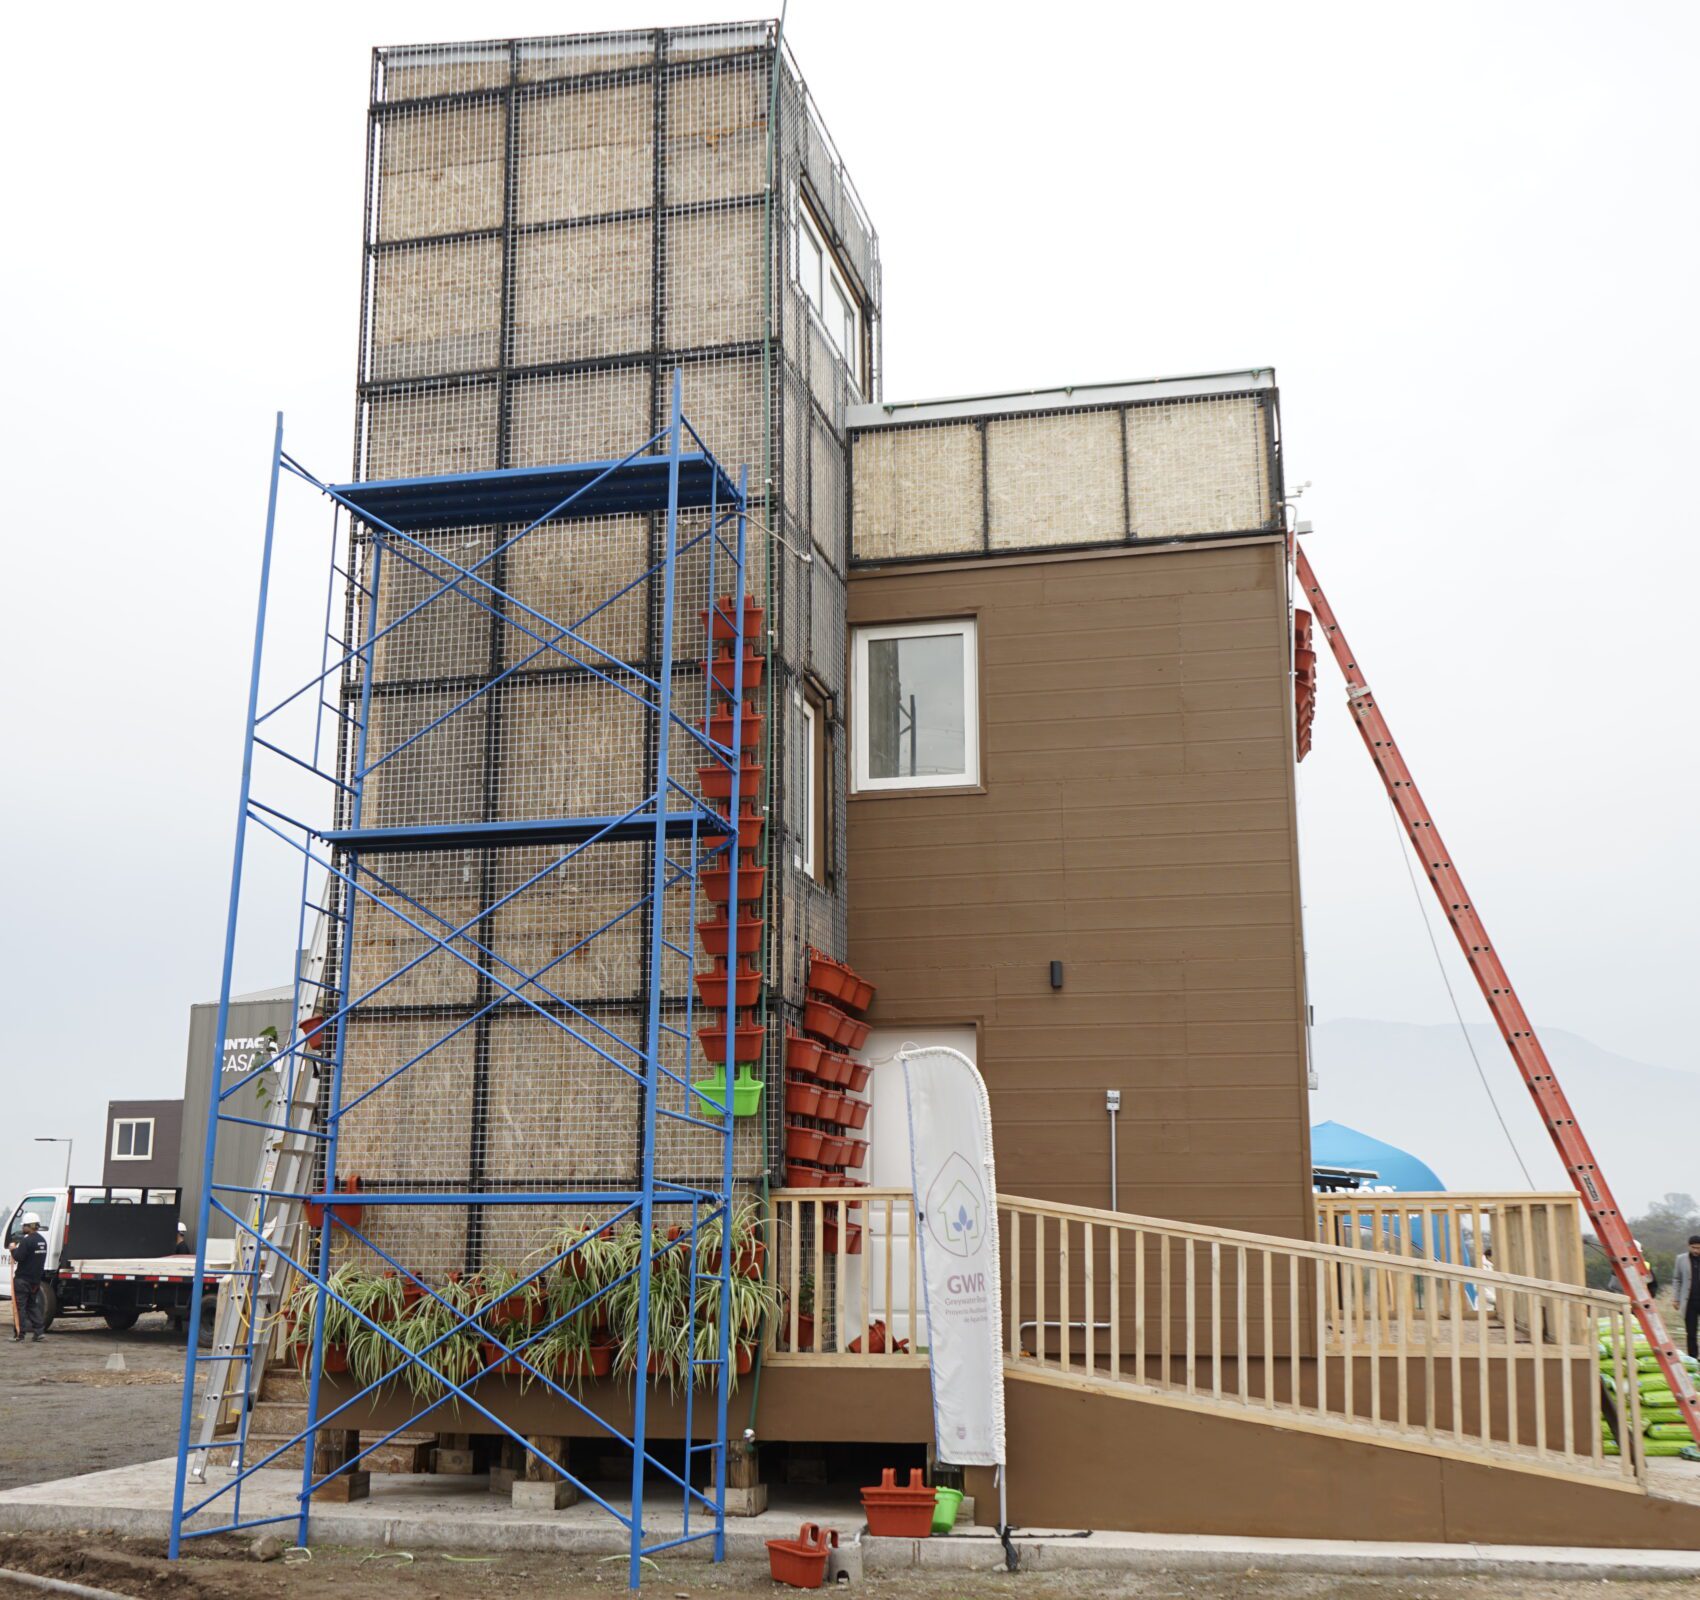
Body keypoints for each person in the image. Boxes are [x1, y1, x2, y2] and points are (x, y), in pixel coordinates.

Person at [8, 1214, 47, 1342]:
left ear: (30, 1226)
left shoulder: (26, 1241)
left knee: (20, 1308)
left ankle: (20, 1334)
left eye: (24, 1226)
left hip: (22, 1280)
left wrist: (13, 1249)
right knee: (32, 1306)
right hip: (35, 1281)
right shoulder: (42, 1241)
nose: (22, 1228)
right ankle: (39, 1332)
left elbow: (19, 1257)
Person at [1674, 1234, 1700, 1362]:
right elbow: (1677, 1279)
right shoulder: (1681, 1259)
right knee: (1691, 1332)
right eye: (1693, 1247)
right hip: (1689, 1301)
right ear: (1689, 1246)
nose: (1696, 1250)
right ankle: (1693, 1357)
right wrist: (1676, 1298)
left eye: (1698, 1248)